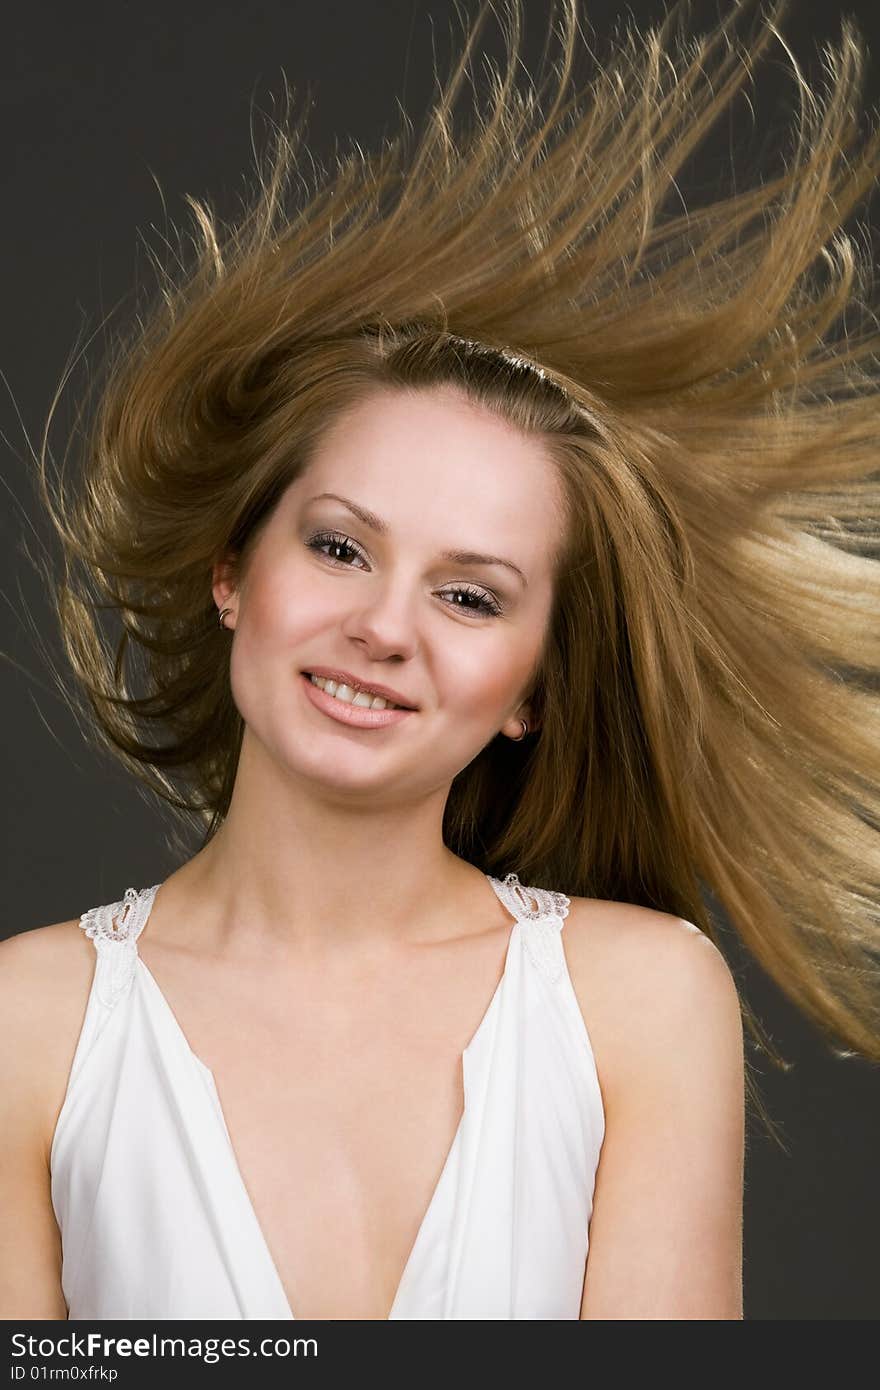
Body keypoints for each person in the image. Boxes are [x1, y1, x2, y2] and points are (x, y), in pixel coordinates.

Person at [2, 0, 878, 1321]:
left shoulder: (639, 1005)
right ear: (233, 571)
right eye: (342, 549)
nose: (386, 624)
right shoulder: (25, 1027)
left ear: (532, 682)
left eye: (470, 594)